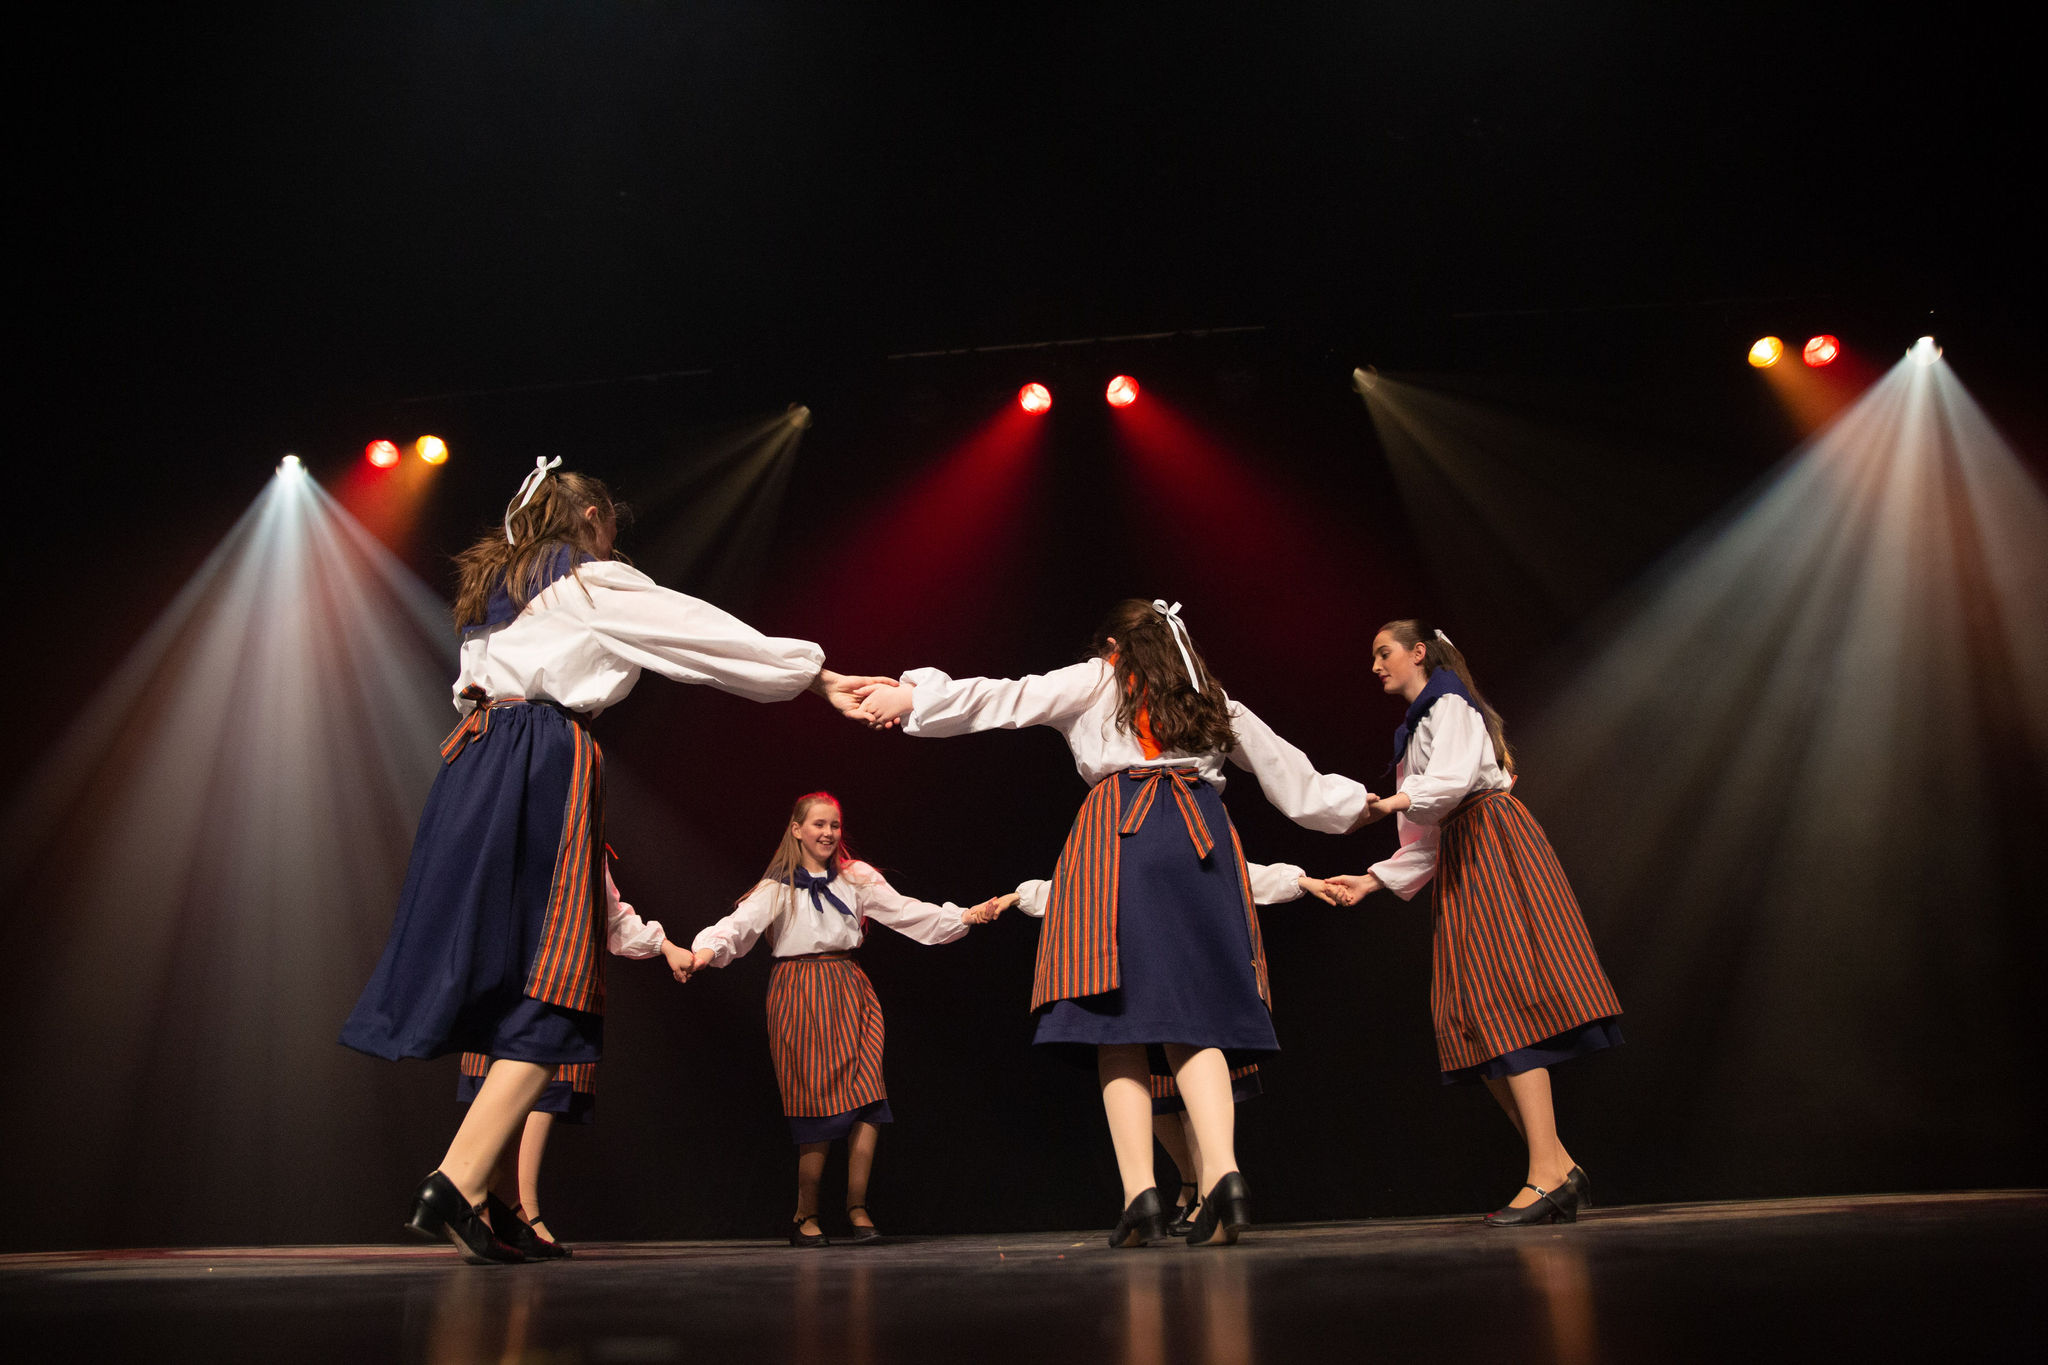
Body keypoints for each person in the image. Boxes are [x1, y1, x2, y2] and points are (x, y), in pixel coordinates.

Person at [340, 458, 882, 1263]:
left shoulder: (499, 596)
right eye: (609, 524)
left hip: (469, 766)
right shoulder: (590, 582)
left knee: (502, 971)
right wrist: (820, 678)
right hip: (540, 762)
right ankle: (454, 1178)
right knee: (557, 982)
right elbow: (707, 635)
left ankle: (483, 1199)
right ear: (591, 514)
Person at [853, 598, 1369, 1246]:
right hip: (1200, 836)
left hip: (1122, 833)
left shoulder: (1099, 678)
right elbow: (1292, 777)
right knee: (1195, 1016)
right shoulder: (1208, 697)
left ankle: (1140, 1194)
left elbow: (1008, 697)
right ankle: (1226, 1175)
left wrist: (913, 697)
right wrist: (1361, 806)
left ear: (1115, 646)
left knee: (1111, 1016)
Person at [1325, 620, 1623, 1227]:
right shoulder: (1416, 730)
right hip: (1464, 850)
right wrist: (1374, 878)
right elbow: (1429, 831)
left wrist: (1395, 801)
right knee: (1467, 1017)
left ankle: (1545, 1173)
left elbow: (1454, 784)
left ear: (1418, 653)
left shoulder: (1448, 704)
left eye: (1384, 653)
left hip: (1494, 845)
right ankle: (1558, 1166)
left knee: (1503, 1002)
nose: (1376, 665)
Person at [685, 791, 1014, 1247]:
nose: (828, 833)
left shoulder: (856, 878)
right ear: (797, 830)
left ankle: (857, 1207)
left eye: (834, 825)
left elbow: (907, 912)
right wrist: (704, 952)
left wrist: (966, 915)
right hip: (799, 992)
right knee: (815, 1102)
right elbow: (735, 928)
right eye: (818, 824)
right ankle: (806, 1212)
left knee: (868, 1098)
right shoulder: (776, 887)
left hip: (850, 986)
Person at [1012, 861, 1338, 1235]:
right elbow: (1224, 862)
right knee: (1177, 1066)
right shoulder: (1193, 815)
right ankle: (1213, 1180)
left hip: (1143, 967)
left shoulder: (1115, 823)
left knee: (1129, 1045)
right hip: (1183, 965)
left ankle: (1153, 1195)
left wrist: (1296, 880)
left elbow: (1086, 882)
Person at [453, 860, 691, 1258]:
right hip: (523, 968)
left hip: (561, 968)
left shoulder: (586, 845)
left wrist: (665, 946)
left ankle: (510, 1205)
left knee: (542, 1087)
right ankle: (489, 1199)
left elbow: (612, 917)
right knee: (527, 1082)